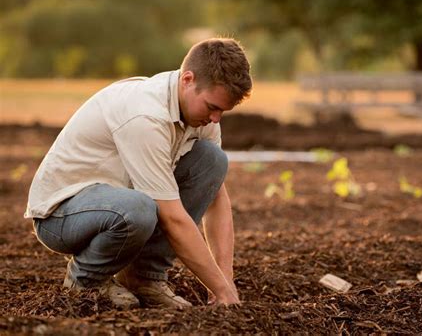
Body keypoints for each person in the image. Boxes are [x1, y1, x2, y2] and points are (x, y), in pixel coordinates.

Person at [25, 38, 252, 309]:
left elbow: (215, 197)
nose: (216, 119)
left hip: (117, 202)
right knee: (139, 209)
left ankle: (144, 278)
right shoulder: (146, 116)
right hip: (60, 214)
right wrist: (219, 288)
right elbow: (173, 219)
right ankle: (86, 281)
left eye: (222, 111)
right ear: (188, 80)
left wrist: (225, 282)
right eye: (212, 107)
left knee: (212, 160)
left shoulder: (201, 117)